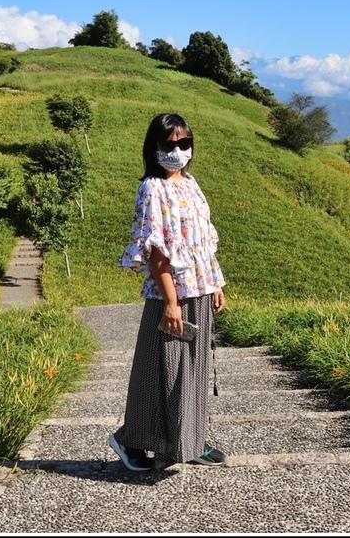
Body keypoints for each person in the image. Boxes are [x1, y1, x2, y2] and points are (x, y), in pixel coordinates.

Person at [108, 112, 228, 471]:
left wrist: (217, 282)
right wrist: (172, 303)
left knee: (194, 371)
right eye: (169, 144)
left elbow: (203, 241)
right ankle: (130, 439)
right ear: (154, 147)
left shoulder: (190, 183)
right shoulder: (151, 189)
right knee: (163, 373)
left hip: (201, 290)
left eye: (184, 143)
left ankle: (189, 440)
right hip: (171, 296)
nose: (177, 150)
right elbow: (156, 251)